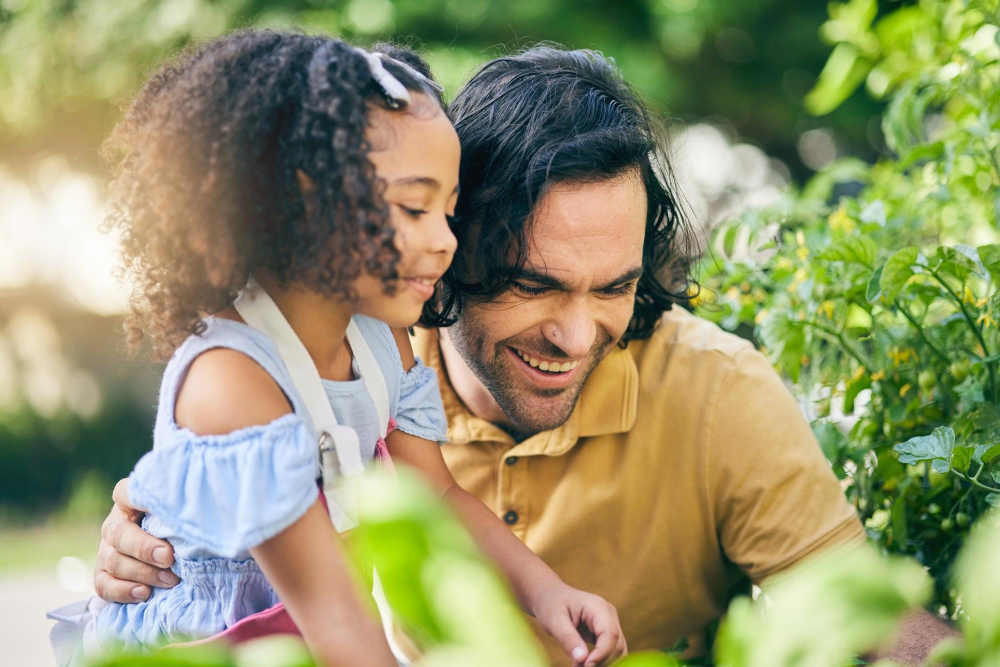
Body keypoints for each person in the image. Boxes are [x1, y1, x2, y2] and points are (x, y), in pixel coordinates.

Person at [93, 45, 955, 665]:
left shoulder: (715, 390)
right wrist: (151, 527)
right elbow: (316, 591)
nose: (577, 335)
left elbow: (870, 621)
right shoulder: (357, 351)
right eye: (534, 284)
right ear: (461, 250)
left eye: (613, 287)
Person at [51, 32, 625, 667]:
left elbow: (433, 494)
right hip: (200, 648)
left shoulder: (381, 342)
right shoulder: (230, 379)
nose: (445, 242)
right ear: (303, 202)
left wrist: (547, 594)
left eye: (449, 211)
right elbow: (333, 615)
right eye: (414, 208)